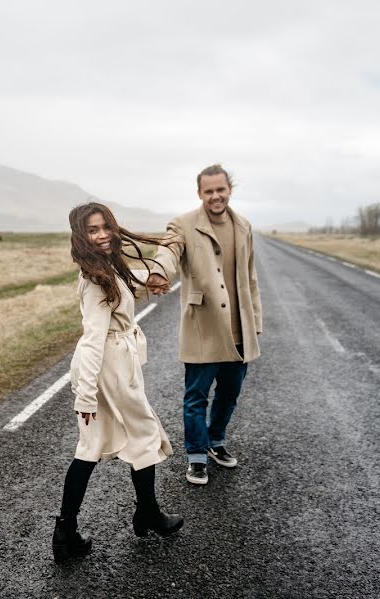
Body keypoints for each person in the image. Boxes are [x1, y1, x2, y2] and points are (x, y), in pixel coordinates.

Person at [53, 202, 184, 563]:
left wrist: (151, 281)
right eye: (92, 230)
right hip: (108, 365)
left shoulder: (104, 268)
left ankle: (65, 533)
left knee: (90, 446)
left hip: (109, 362)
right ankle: (148, 514)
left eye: (105, 227)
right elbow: (94, 338)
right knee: (144, 435)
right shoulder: (96, 279)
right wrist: (85, 397)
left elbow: (124, 289)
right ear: (81, 236)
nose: (102, 235)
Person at [146, 164, 262, 486]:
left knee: (229, 394)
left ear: (229, 190)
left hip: (238, 328)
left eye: (220, 190)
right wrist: (159, 271)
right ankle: (196, 456)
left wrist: (256, 320)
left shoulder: (244, 226)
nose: (215, 196)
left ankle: (215, 441)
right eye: (208, 191)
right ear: (200, 193)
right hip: (203, 326)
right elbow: (168, 249)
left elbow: (250, 279)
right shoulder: (183, 224)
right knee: (196, 396)